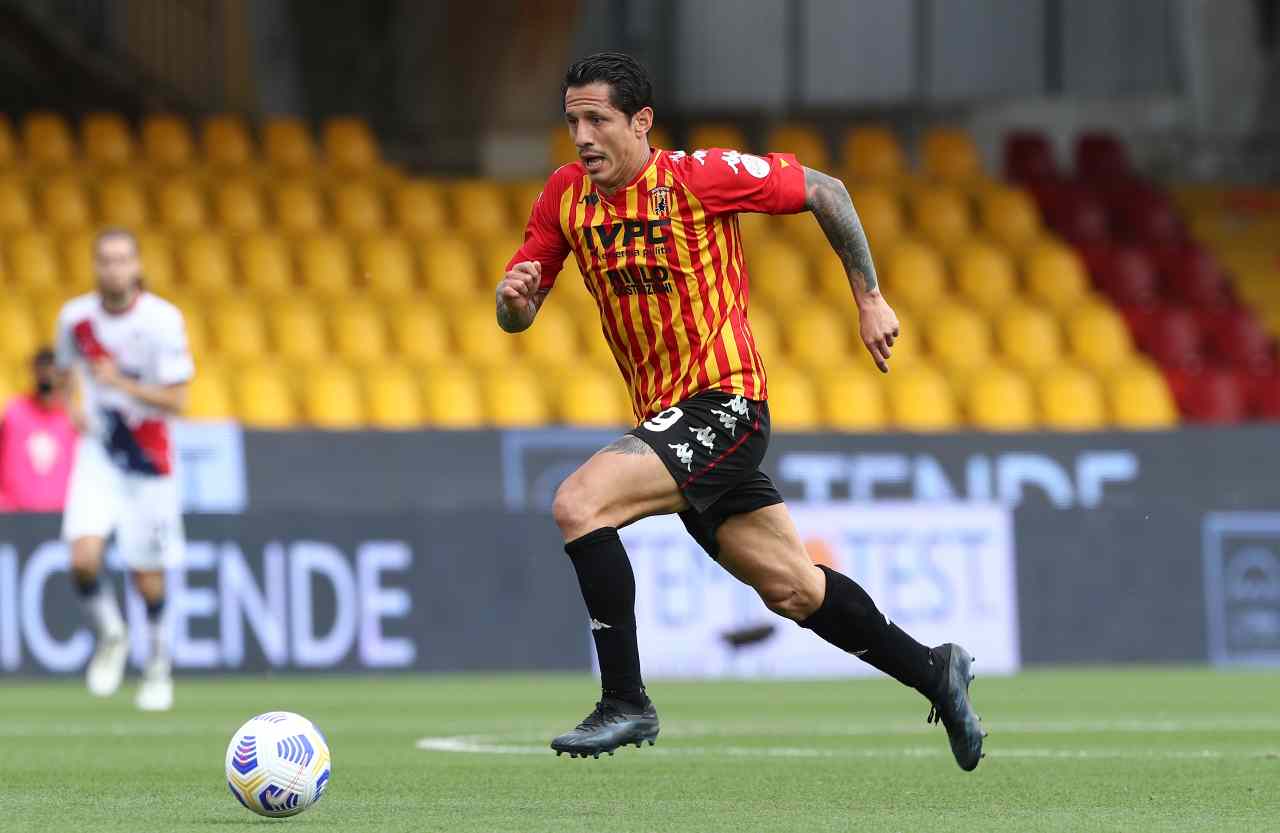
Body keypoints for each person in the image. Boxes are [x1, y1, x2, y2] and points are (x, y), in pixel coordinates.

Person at [497, 52, 985, 769]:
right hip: (673, 425)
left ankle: (626, 699)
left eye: (597, 119)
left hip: (725, 404)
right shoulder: (566, 198)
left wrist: (870, 297)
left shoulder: (700, 177)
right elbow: (521, 305)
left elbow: (828, 191)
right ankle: (934, 669)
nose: (582, 136)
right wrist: (514, 303)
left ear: (640, 122)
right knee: (793, 587)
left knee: (580, 502)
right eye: (573, 121)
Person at [56, 228, 194, 712]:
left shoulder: (162, 321)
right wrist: (72, 402)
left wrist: (119, 383)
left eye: (122, 260)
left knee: (146, 576)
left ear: (136, 267)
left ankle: (157, 664)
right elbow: (64, 368)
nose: (114, 269)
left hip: (148, 460)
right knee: (82, 559)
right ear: (95, 266)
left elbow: (178, 400)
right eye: (105, 260)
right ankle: (112, 634)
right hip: (98, 454)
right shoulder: (75, 318)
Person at [0, 348, 77, 511]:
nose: (48, 381)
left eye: (56, 375)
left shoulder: (71, 417)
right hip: (13, 513)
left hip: (61, 515)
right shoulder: (14, 411)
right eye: (44, 379)